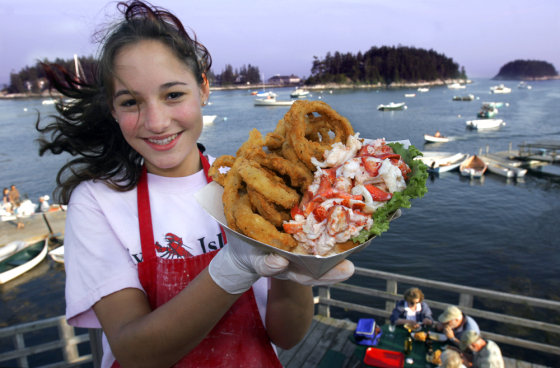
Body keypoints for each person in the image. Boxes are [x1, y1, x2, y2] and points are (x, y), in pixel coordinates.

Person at [36, 2, 354, 367]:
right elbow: (134, 351)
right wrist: (232, 268)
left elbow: (287, 334)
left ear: (203, 88)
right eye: (130, 102)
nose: (156, 122)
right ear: (112, 109)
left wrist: (294, 272)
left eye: (173, 95)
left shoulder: (249, 186)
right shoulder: (96, 202)